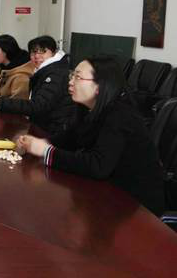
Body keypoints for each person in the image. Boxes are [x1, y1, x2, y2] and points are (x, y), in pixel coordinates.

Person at [18, 56, 165, 216]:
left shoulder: (120, 115)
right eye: (72, 75)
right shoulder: (87, 107)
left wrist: (46, 151)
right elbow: (69, 139)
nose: (70, 82)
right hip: (107, 192)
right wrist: (36, 144)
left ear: (100, 86)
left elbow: (98, 166)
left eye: (78, 77)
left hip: (136, 205)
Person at [0, 35, 76, 134]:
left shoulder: (56, 74)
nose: (36, 56)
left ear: (53, 52)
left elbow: (38, 106)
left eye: (42, 51)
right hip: (43, 126)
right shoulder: (44, 71)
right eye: (33, 52)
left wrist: (0, 103)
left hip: (54, 131)